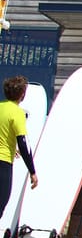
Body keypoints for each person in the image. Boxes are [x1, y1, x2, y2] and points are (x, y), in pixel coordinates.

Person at [0, 76, 37, 220]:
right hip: (3, 164)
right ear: (22, 94)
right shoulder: (18, 113)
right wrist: (32, 171)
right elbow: (23, 143)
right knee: (1, 203)